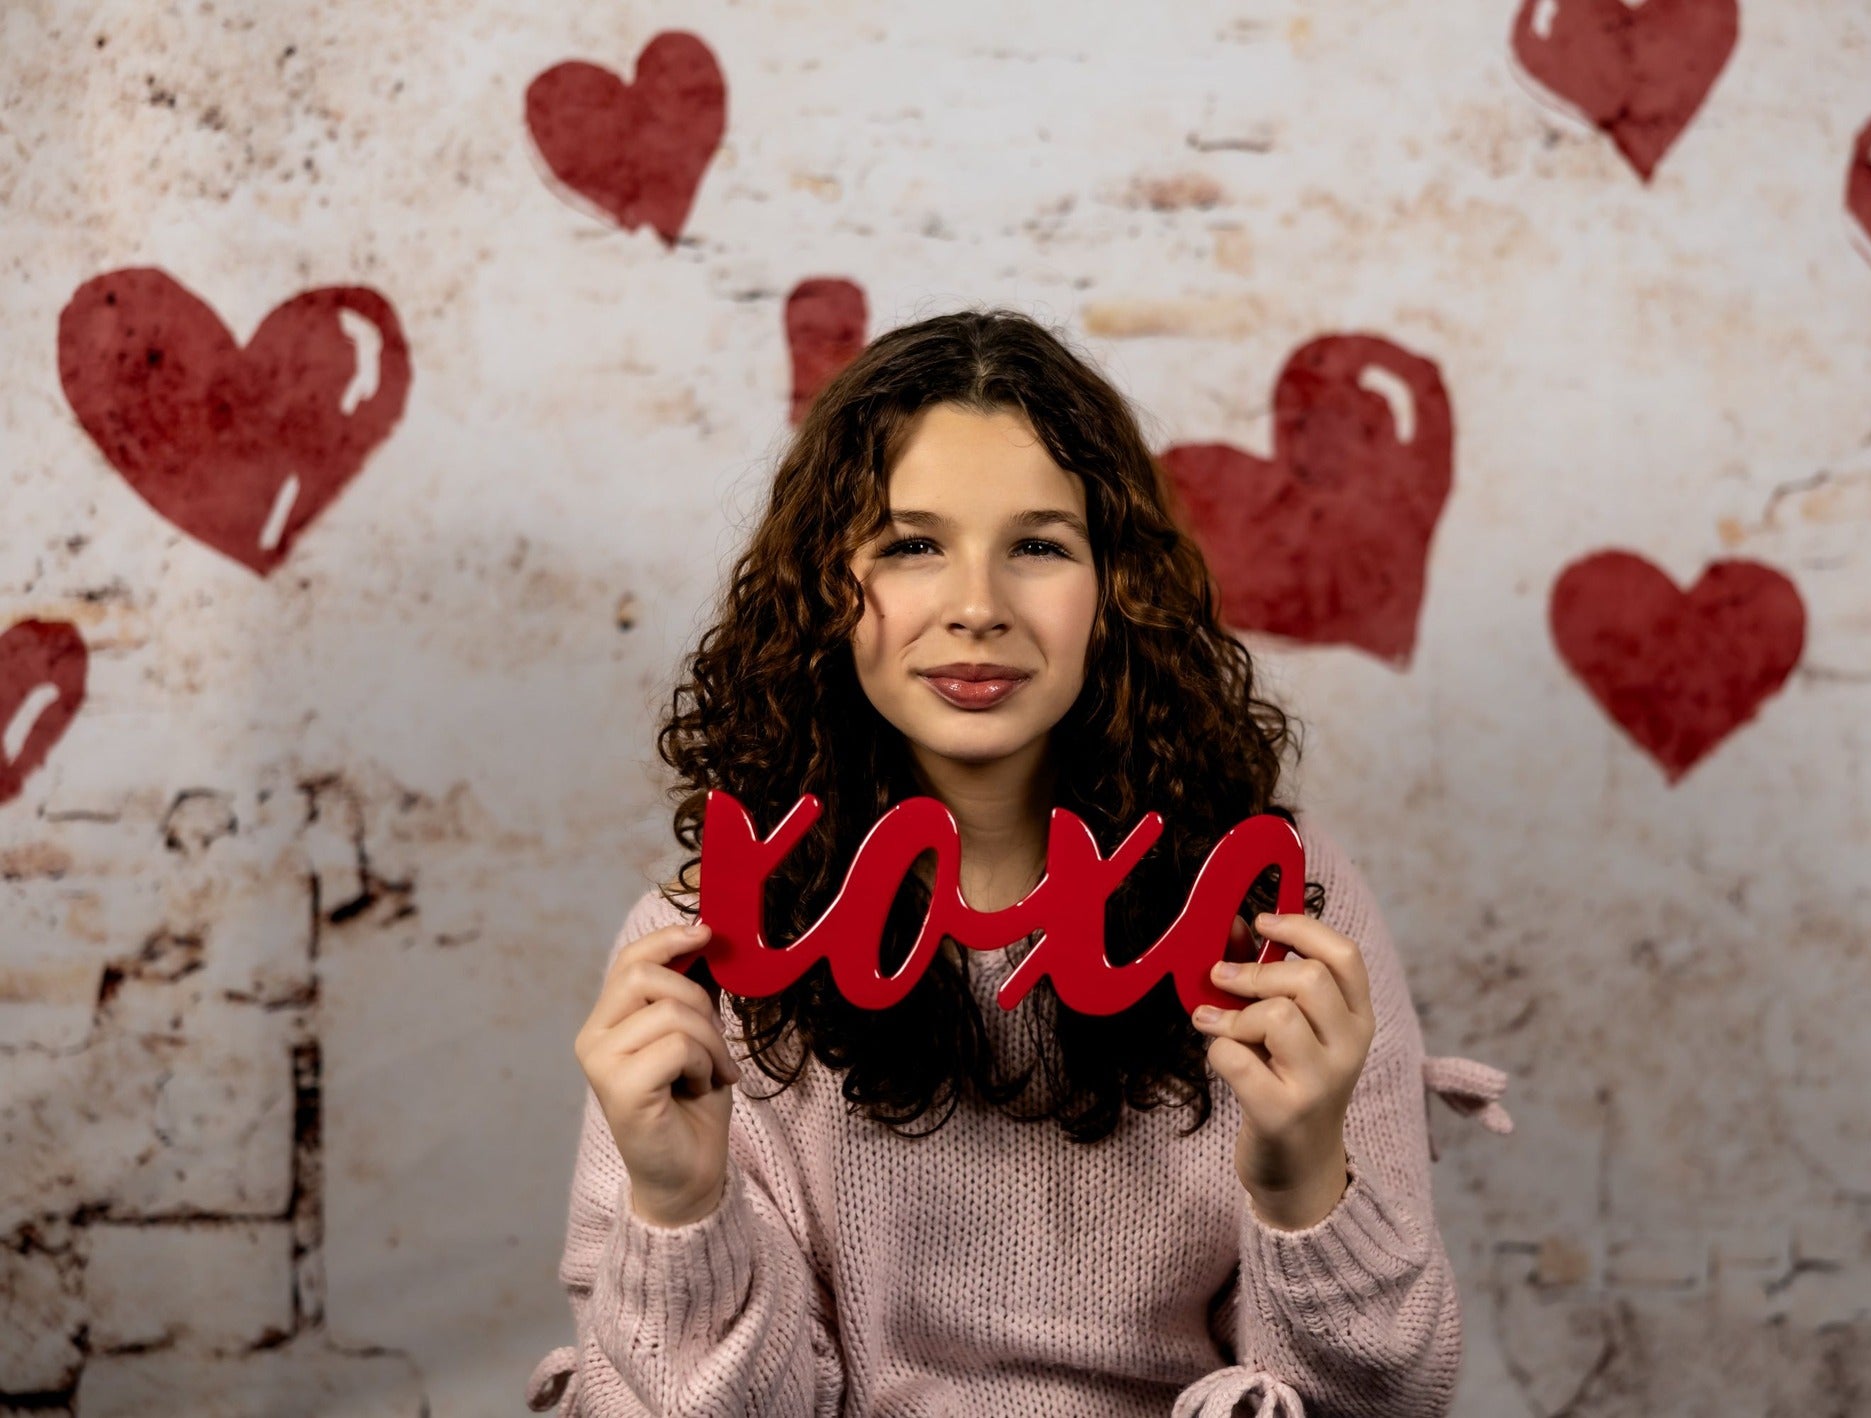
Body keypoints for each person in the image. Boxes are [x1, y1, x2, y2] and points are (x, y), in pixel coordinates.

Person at [525, 309, 1513, 1417]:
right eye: (909, 545)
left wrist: (1301, 1178)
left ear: (1115, 592)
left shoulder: (1272, 905)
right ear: (820, 591)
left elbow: (1381, 1402)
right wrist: (677, 1200)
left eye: (1038, 545)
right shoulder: (705, 949)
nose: (977, 609)